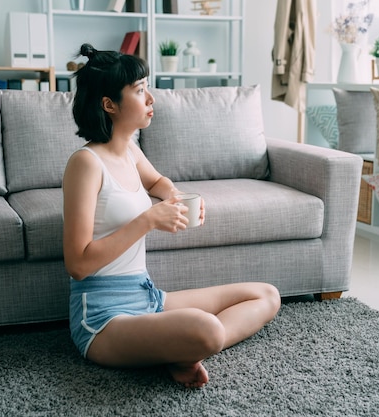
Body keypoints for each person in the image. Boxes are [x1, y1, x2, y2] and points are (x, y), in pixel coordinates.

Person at [62, 44, 281, 388]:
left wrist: (175, 197)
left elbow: (157, 181)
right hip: (104, 319)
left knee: (267, 295)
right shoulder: (86, 163)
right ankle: (182, 346)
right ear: (109, 105)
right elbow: (77, 264)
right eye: (138, 91)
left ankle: (177, 350)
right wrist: (149, 219)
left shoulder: (130, 152)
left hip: (147, 297)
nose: (150, 98)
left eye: (147, 87)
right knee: (206, 328)